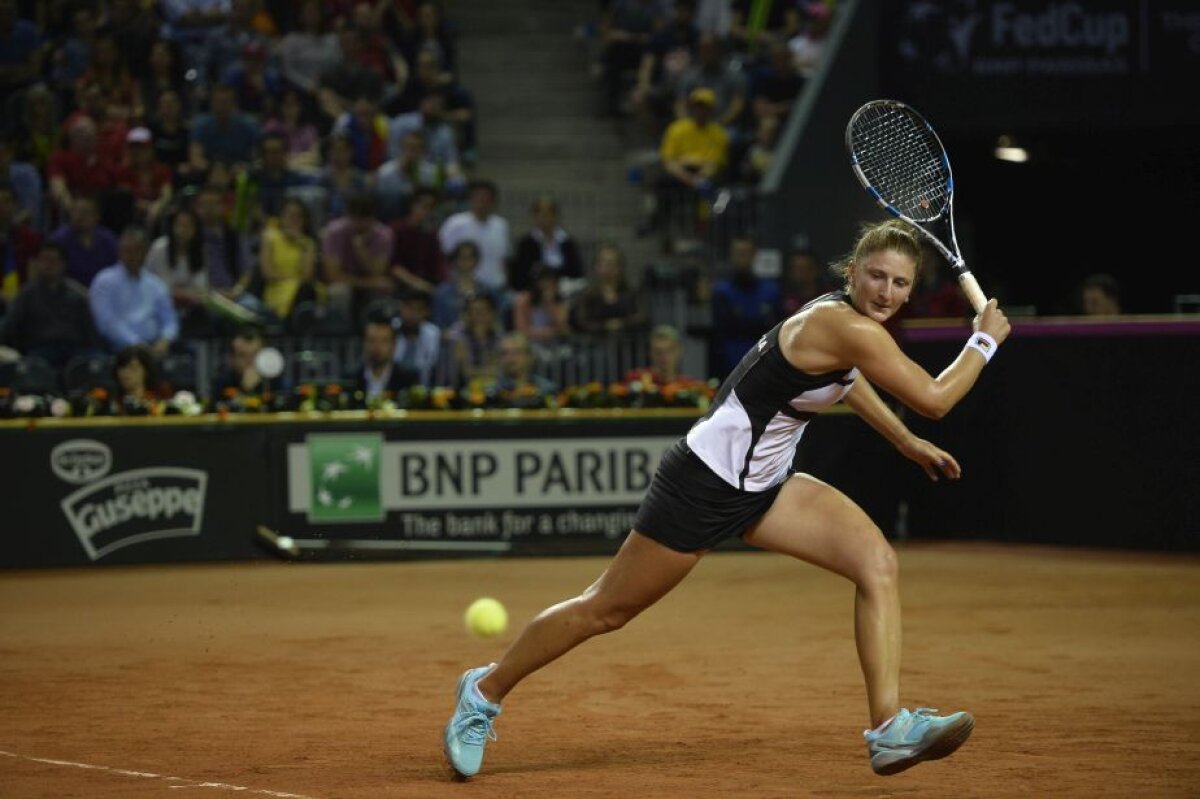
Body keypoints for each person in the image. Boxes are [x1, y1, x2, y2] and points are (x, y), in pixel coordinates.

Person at [442, 218, 1012, 779]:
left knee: (877, 562)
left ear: (910, 290)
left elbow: (848, 381)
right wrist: (983, 341)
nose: (886, 291)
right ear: (853, 272)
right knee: (605, 609)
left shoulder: (846, 326)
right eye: (877, 276)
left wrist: (905, 441)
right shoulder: (845, 326)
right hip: (703, 484)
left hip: (766, 487)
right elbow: (935, 398)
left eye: (900, 283)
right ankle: (484, 691)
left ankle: (888, 729)